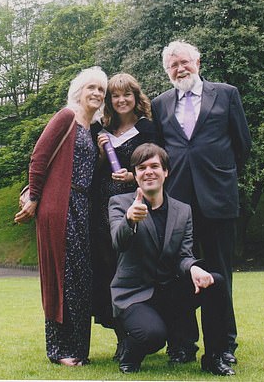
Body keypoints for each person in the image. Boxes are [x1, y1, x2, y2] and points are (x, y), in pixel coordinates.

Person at [151, 41, 252, 364]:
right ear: (167, 72)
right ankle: (182, 345)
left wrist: (217, 174)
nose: (180, 69)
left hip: (218, 200)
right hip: (178, 204)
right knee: (180, 275)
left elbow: (242, 146)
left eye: (184, 62)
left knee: (219, 274)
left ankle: (223, 347)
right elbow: (160, 150)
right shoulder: (160, 104)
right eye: (173, 66)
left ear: (198, 62)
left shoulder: (226, 94)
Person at [108, 143, 235, 376]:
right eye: (142, 167)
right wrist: (130, 220)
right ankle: (130, 351)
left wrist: (194, 269)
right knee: (152, 336)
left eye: (155, 166)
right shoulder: (120, 204)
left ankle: (214, 357)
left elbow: (183, 255)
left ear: (165, 172)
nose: (149, 172)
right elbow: (119, 242)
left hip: (169, 292)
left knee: (215, 281)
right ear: (135, 175)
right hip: (134, 294)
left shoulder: (183, 210)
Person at [14, 66, 108, 366]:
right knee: (63, 278)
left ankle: (78, 350)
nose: (96, 93)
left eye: (101, 90)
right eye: (91, 87)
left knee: (81, 279)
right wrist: (34, 195)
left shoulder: (92, 128)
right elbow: (39, 157)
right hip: (60, 207)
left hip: (82, 207)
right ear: (78, 90)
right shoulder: (65, 117)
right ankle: (59, 350)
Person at [92, 73, 158, 361]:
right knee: (109, 273)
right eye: (115, 96)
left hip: (136, 211)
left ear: (136, 97)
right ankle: (122, 337)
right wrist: (102, 157)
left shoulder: (147, 130)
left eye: (126, 95)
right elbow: (93, 172)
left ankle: (143, 332)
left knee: (135, 271)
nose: (121, 100)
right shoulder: (103, 130)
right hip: (103, 212)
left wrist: (133, 176)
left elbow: (158, 167)